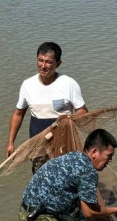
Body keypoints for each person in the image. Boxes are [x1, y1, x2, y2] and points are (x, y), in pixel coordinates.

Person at [6, 42, 89, 173]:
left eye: (49, 62)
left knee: (66, 182)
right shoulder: (28, 85)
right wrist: (11, 142)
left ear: (58, 64)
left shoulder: (69, 84)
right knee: (41, 182)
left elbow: (83, 111)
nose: (43, 66)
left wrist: (69, 119)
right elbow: (18, 114)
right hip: (39, 147)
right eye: (40, 61)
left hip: (64, 145)